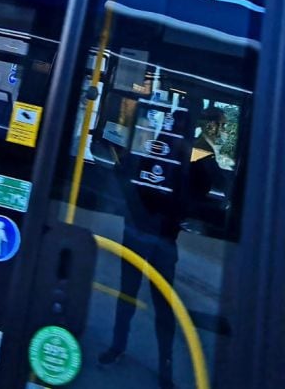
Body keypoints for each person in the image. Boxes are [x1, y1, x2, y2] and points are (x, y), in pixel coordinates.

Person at [99, 105, 231, 389]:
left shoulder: (150, 149)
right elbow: (213, 189)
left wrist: (134, 210)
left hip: (137, 232)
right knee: (161, 304)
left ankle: (118, 347)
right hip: (163, 239)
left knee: (129, 296)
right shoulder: (192, 157)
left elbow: (122, 174)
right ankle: (164, 367)